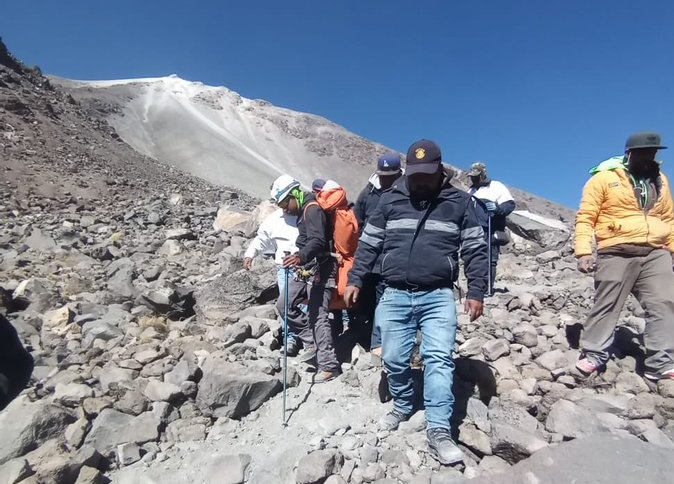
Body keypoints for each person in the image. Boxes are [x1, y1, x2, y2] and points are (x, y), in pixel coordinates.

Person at [345, 139, 488, 466]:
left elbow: (475, 249)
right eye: (414, 174)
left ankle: (439, 429)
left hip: (438, 295)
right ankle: (403, 403)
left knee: (438, 358)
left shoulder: (460, 203)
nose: (420, 180)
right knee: (394, 358)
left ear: (440, 169)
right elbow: (369, 242)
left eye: (427, 174)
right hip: (394, 293)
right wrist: (355, 279)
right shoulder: (391, 199)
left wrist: (477, 290)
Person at [575, 132, 674, 383]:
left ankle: (660, 363)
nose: (648, 157)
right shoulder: (605, 179)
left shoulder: (660, 180)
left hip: (655, 251)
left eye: (652, 153)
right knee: (607, 303)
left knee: (664, 303)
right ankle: (594, 354)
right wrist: (584, 251)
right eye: (642, 152)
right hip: (616, 249)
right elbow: (586, 216)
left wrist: (671, 249)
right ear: (629, 153)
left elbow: (669, 219)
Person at [270, 174, 341, 383]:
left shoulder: (313, 209)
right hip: (308, 266)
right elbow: (308, 240)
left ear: (294, 194)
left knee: (317, 313)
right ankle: (312, 342)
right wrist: (298, 256)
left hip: (323, 266)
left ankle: (328, 365)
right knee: (284, 305)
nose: (284, 208)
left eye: (284, 203)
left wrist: (300, 256)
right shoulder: (303, 211)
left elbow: (319, 241)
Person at [353, 152, 403, 356]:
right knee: (367, 300)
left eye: (391, 176)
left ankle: (378, 344)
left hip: (393, 258)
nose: (386, 180)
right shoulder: (368, 192)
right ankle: (366, 338)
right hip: (369, 257)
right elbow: (356, 220)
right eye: (383, 175)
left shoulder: (407, 191)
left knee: (385, 300)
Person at [243, 208, 303, 355]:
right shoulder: (275, 219)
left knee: (305, 303)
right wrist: (250, 254)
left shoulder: (307, 213)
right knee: (286, 303)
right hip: (284, 267)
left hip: (305, 265)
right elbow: (262, 238)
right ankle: (290, 338)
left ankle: (307, 338)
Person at [467, 162, 516, 295]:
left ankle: (488, 289)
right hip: (474, 230)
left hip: (490, 229)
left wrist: (497, 209)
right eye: (472, 176)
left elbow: (510, 205)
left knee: (489, 260)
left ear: (483, 175)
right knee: (474, 259)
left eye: (476, 176)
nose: (473, 178)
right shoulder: (471, 191)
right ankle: (475, 289)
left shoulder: (496, 186)